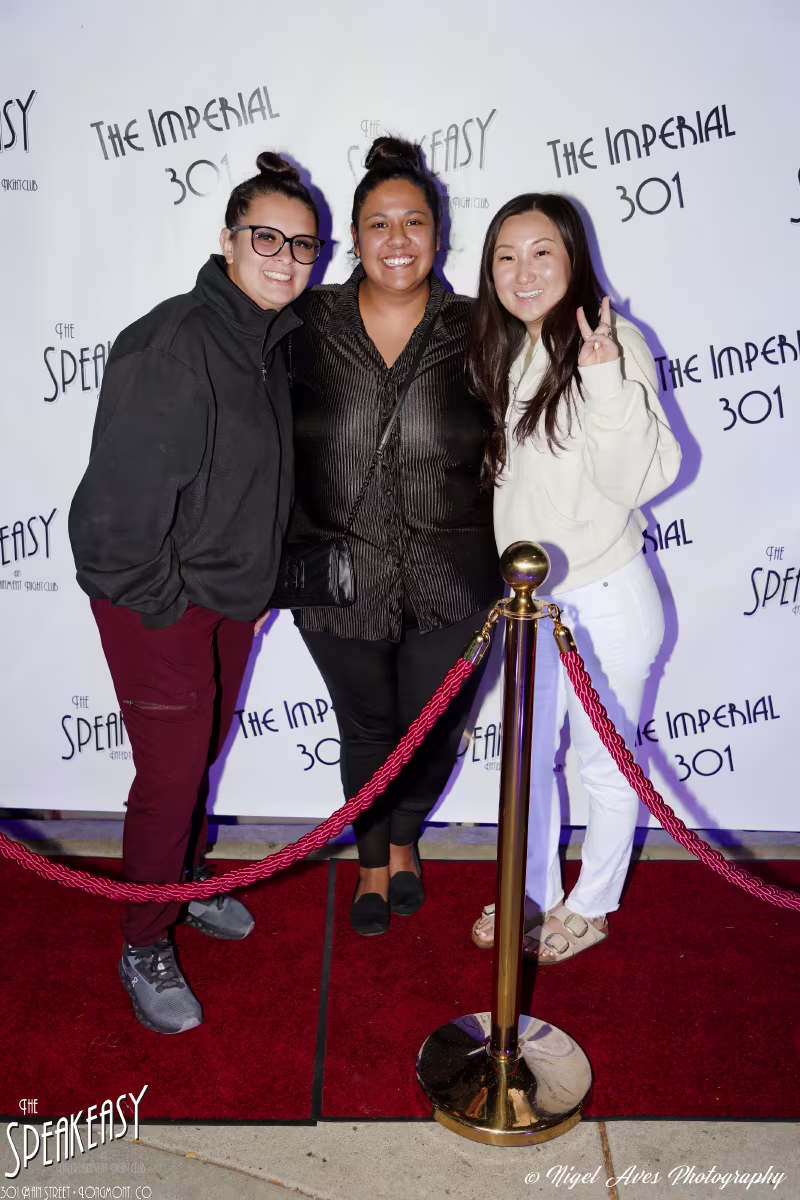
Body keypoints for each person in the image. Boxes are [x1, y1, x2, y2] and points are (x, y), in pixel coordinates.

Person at [68, 153, 324, 1032]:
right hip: (159, 603)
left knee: (195, 760)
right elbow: (110, 521)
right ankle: (144, 938)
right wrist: (166, 606)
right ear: (227, 240)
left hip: (226, 597)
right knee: (172, 774)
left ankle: (177, 881)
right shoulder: (175, 343)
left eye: (302, 244)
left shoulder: (265, 340)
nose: (286, 258)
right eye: (267, 238)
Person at [288, 136, 501, 936]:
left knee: (434, 728)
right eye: (379, 223)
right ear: (354, 236)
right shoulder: (307, 322)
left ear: (438, 234)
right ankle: (372, 859)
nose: (398, 239)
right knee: (366, 727)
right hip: (337, 573)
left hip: (457, 575)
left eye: (414, 221)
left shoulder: (480, 327)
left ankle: (404, 835)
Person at [467, 193, 681, 962]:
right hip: (530, 602)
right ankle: (529, 893)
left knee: (605, 760)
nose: (523, 272)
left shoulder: (610, 341)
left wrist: (603, 379)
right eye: (506, 256)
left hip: (604, 596)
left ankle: (590, 905)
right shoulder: (502, 348)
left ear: (574, 259)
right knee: (524, 763)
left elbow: (641, 479)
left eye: (541, 253)